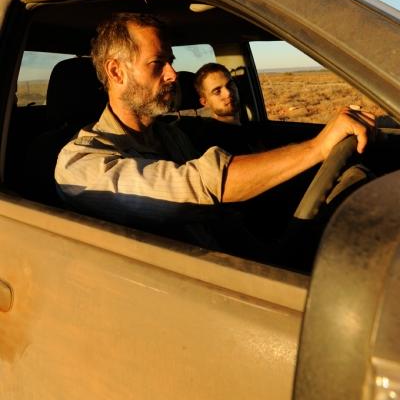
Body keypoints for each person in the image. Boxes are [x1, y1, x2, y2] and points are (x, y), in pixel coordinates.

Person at [55, 13, 376, 267]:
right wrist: (317, 147)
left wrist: (267, 259)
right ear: (116, 72)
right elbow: (196, 186)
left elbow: (224, 219)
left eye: (171, 62)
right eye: (157, 63)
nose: (172, 74)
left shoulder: (171, 135)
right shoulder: (81, 164)